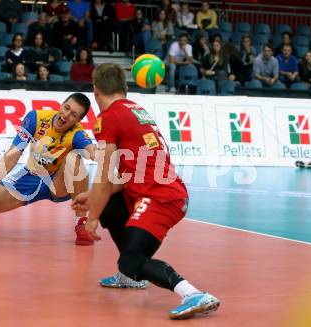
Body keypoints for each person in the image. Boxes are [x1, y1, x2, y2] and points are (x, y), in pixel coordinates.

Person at [72, 63, 220, 320]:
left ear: (95, 91)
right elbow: (129, 174)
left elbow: (105, 174)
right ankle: (130, 276)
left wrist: (91, 217)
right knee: (109, 204)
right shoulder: (136, 110)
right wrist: (96, 199)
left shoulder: (108, 117)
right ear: (125, 88)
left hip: (161, 198)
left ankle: (192, 293)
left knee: (130, 259)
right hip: (156, 191)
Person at [0, 92, 97, 247]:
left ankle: (82, 222)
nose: (66, 115)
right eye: (66, 108)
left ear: (78, 120)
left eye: (73, 114)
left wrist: (102, 153)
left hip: (57, 183)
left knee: (74, 158)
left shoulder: (78, 133)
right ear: (61, 105)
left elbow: (92, 151)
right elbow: (12, 155)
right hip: (30, 176)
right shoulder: (36, 118)